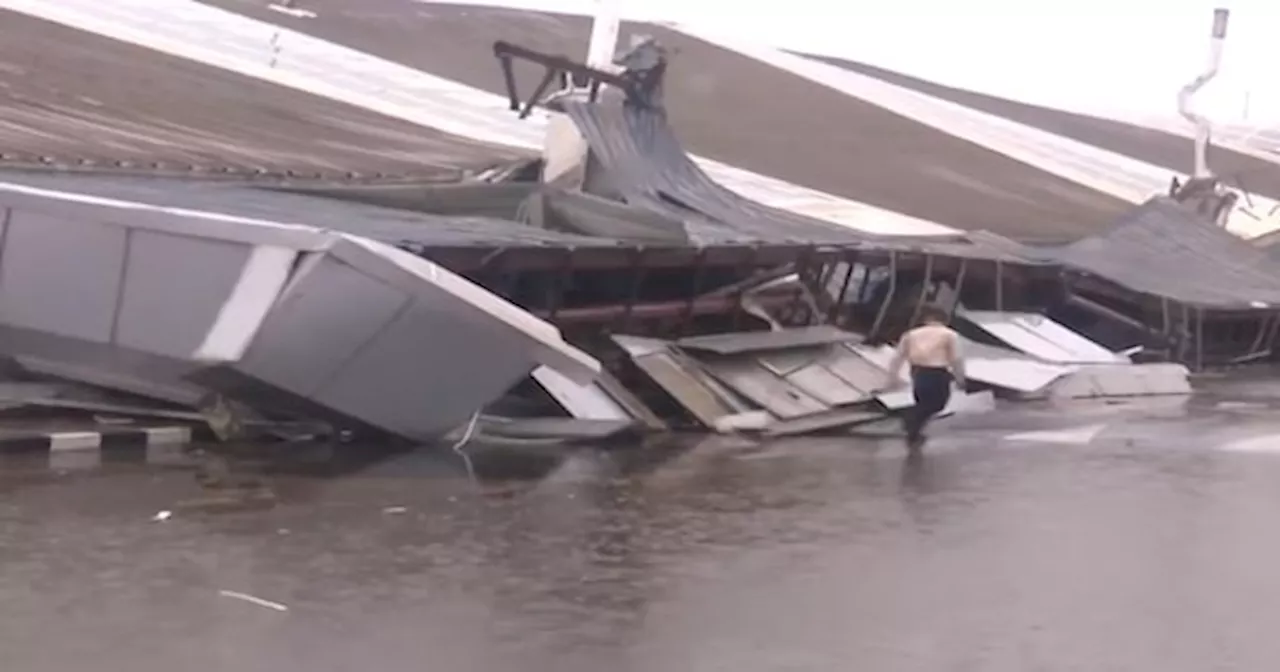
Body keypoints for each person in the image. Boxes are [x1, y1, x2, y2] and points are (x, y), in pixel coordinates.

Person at [881, 303, 966, 451]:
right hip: (938, 372)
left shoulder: (911, 334)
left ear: (926, 319)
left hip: (917, 372)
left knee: (923, 401)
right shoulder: (949, 334)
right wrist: (960, 378)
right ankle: (911, 420)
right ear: (944, 319)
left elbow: (898, 357)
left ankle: (914, 431)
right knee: (938, 404)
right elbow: (956, 358)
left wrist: (892, 376)